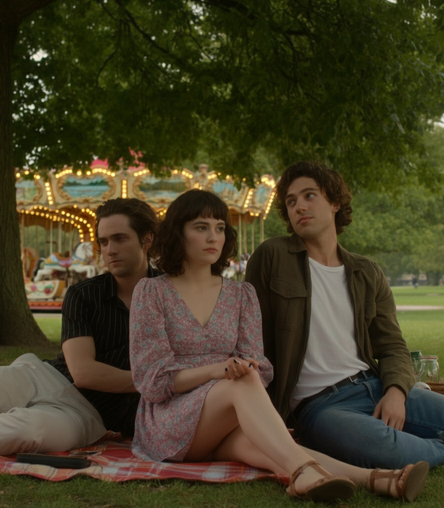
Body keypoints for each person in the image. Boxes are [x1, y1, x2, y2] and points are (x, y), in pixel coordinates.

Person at [129, 188, 429, 502]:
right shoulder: (152, 292)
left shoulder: (241, 294)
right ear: (178, 233)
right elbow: (152, 379)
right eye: (201, 227)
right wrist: (218, 371)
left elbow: (259, 363)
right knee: (243, 384)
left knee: (275, 448)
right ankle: (302, 472)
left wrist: (247, 368)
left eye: (219, 228)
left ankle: (379, 480)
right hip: (169, 421)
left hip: (224, 418)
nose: (212, 237)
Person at [245, 161, 444, 470]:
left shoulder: (367, 272)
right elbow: (249, 336)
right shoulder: (272, 256)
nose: (299, 206)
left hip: (374, 386)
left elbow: (392, 345)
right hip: (320, 408)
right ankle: (424, 449)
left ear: (335, 203)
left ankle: (422, 448)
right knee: (385, 450)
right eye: (291, 201)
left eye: (310, 195)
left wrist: (395, 391)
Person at [0, 198, 157, 455]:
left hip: (85, 416)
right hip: (42, 377)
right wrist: (159, 381)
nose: (109, 250)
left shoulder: (171, 295)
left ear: (147, 239)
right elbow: (83, 372)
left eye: (120, 238)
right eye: (103, 242)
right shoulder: (83, 294)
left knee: (23, 432)